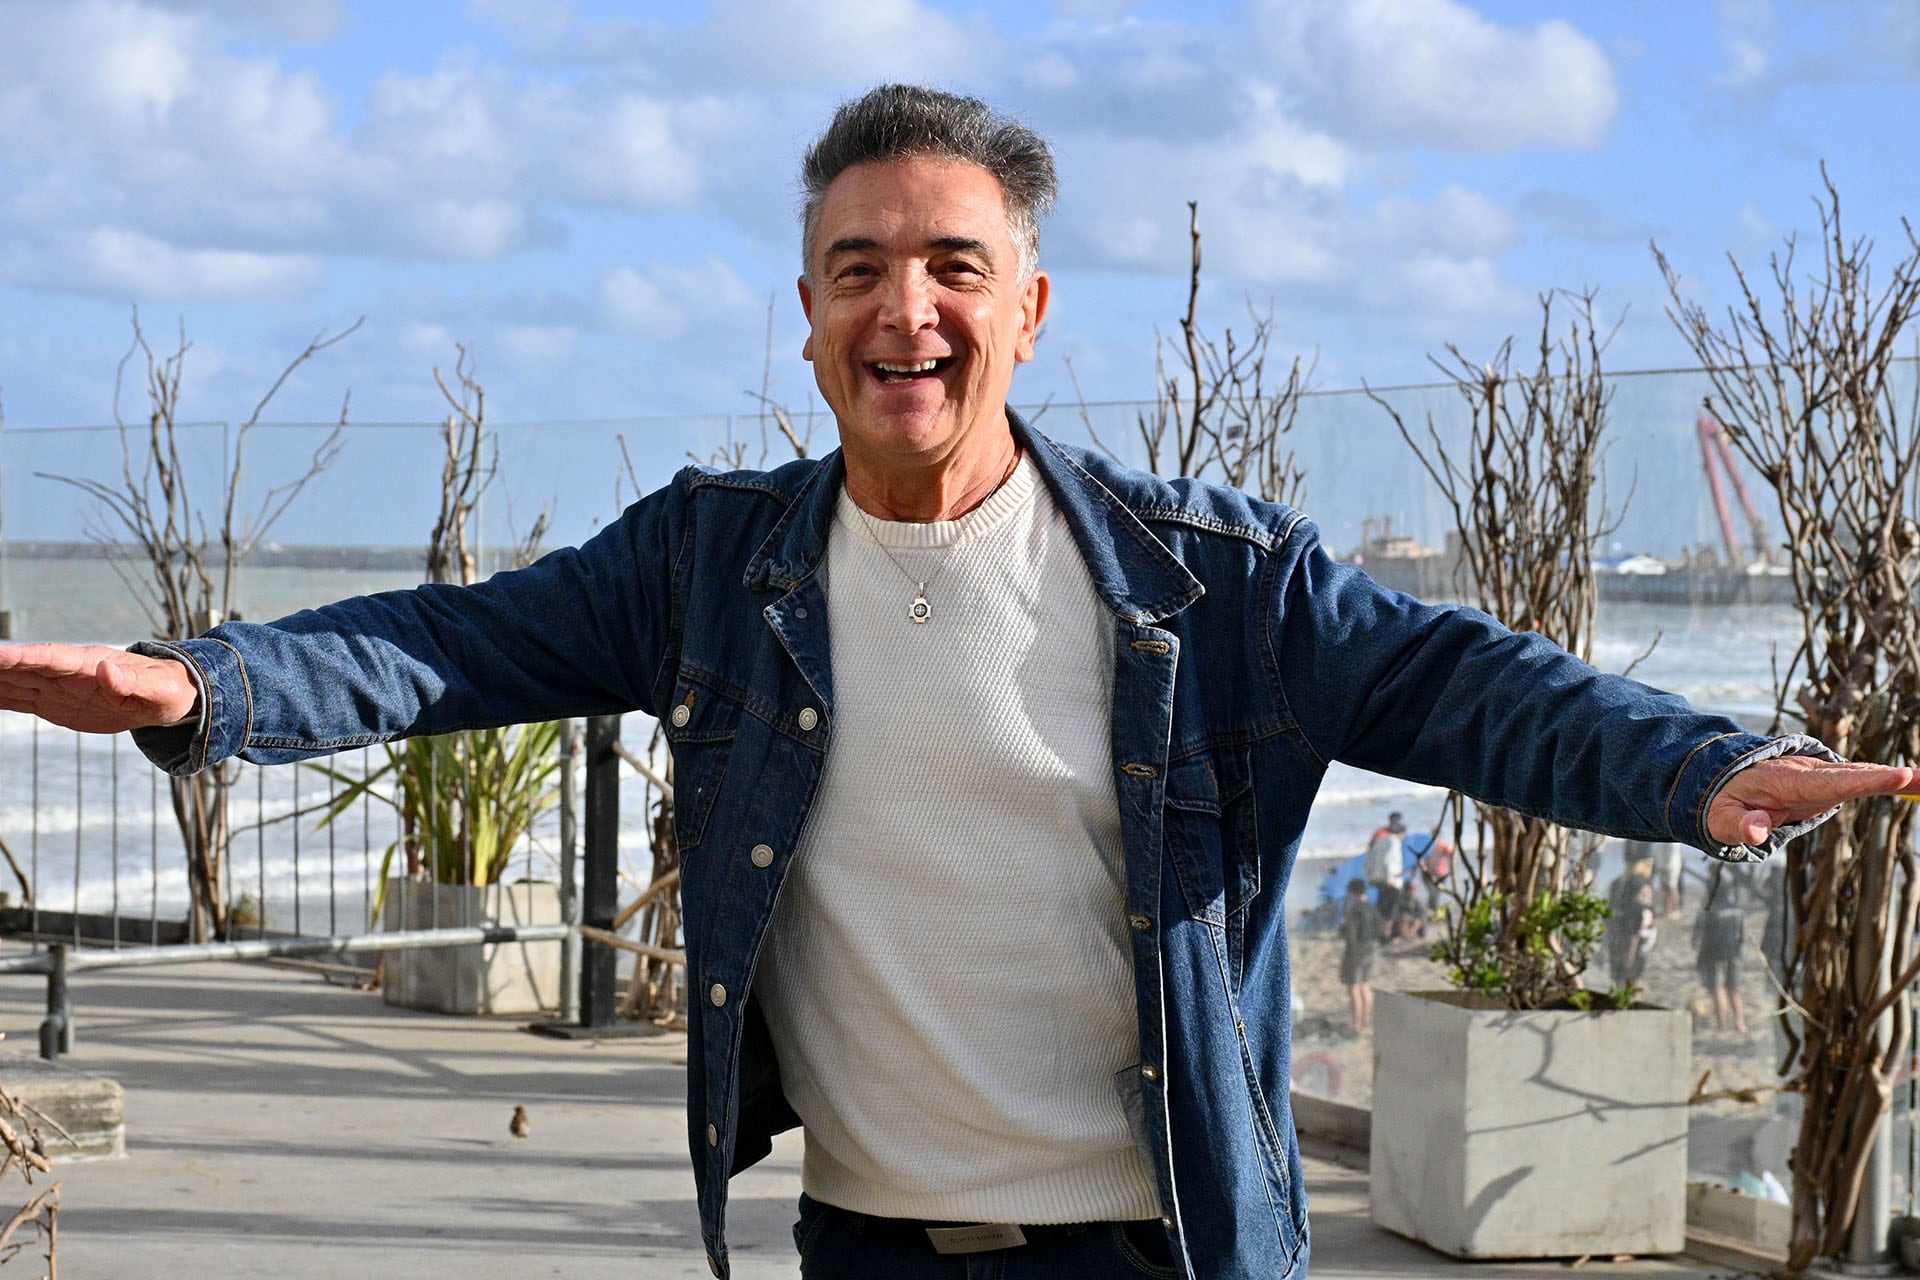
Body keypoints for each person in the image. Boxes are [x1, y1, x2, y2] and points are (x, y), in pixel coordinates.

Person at [0, 85, 1912, 1280]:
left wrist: (1706, 766)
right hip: (866, 1242)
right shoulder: (710, 562)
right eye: (856, 268)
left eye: (951, 266)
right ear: (809, 314)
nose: (902, 307)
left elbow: (1471, 685)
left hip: (1158, 1244)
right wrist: (196, 686)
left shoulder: (1206, 581)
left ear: (1030, 309)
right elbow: (450, 644)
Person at [1695, 863, 1750, 1034]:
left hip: (1714, 954)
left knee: (1718, 989)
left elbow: (1700, 937)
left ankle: (1722, 1024)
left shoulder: (1708, 911)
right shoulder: (1737, 910)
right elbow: (1742, 935)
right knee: (1734, 990)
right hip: (1734, 953)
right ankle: (1740, 1023)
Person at [1338, 880, 1381, 1031]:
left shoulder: (1354, 910)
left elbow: (1351, 934)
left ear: (1352, 892)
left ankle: (1356, 1024)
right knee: (1365, 985)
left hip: (1356, 950)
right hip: (1371, 949)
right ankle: (1366, 1021)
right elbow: (1379, 930)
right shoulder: (1372, 907)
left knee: (1354, 988)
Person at [1363, 811, 1407, 927]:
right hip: (1387, 878)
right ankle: (1385, 929)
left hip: (1378, 876)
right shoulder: (1390, 838)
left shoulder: (1381, 835)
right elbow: (1388, 861)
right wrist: (1392, 879)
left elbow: (1370, 855)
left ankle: (1379, 928)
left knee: (1382, 903)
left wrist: (1370, 874)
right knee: (1390, 907)